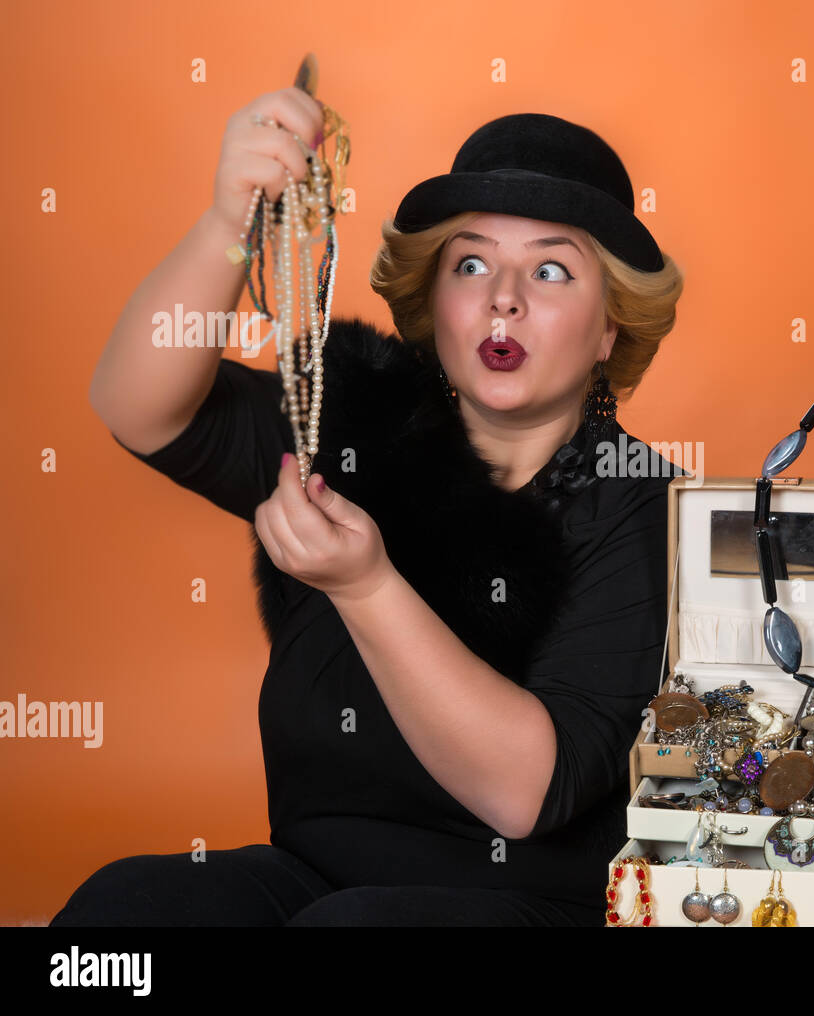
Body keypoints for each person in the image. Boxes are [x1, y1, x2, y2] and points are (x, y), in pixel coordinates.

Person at [54, 94, 684, 927]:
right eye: (470, 264)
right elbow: (140, 408)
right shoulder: (350, 422)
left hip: (529, 905)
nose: (503, 299)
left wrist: (366, 588)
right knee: (122, 911)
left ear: (611, 327)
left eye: (551, 269)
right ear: (434, 300)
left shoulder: (646, 508)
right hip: (313, 881)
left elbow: (525, 792)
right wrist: (226, 224)